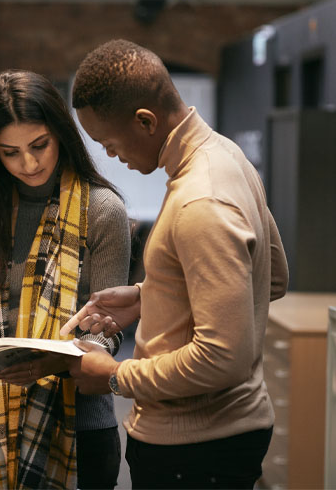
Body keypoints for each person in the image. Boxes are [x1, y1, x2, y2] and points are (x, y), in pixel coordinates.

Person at [61, 39, 290, 489]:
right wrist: (153, 296)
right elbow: (271, 276)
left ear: (145, 121)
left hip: (196, 450)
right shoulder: (227, 157)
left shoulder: (198, 200)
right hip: (220, 440)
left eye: (109, 142)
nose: (111, 156)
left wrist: (114, 376)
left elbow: (223, 358)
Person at [0, 70, 131, 489]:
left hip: (81, 430)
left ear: (60, 134)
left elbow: (108, 333)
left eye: (39, 145)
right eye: (10, 152)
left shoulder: (102, 210)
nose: (30, 163)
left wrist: (52, 362)